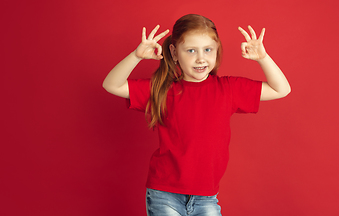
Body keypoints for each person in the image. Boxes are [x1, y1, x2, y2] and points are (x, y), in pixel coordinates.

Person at [102, 14, 291, 216]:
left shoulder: (229, 88)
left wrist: (263, 58)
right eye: (191, 50)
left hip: (206, 197)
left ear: (217, 51)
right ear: (174, 53)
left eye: (208, 50)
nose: (201, 58)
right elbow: (111, 85)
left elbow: (281, 89)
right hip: (164, 194)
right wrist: (136, 56)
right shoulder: (163, 90)